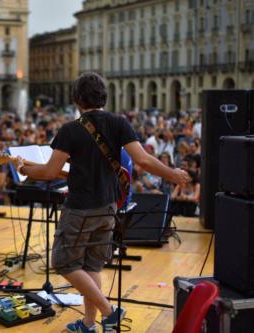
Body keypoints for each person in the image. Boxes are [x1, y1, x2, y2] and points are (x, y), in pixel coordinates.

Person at [13, 72, 190, 333]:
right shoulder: (120, 123)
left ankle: (109, 312)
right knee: (91, 265)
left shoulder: (70, 130)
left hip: (80, 209)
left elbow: (50, 172)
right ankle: (88, 324)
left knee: (64, 263)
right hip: (109, 207)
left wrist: (26, 170)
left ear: (76, 99)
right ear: (103, 97)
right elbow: (142, 160)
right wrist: (172, 173)